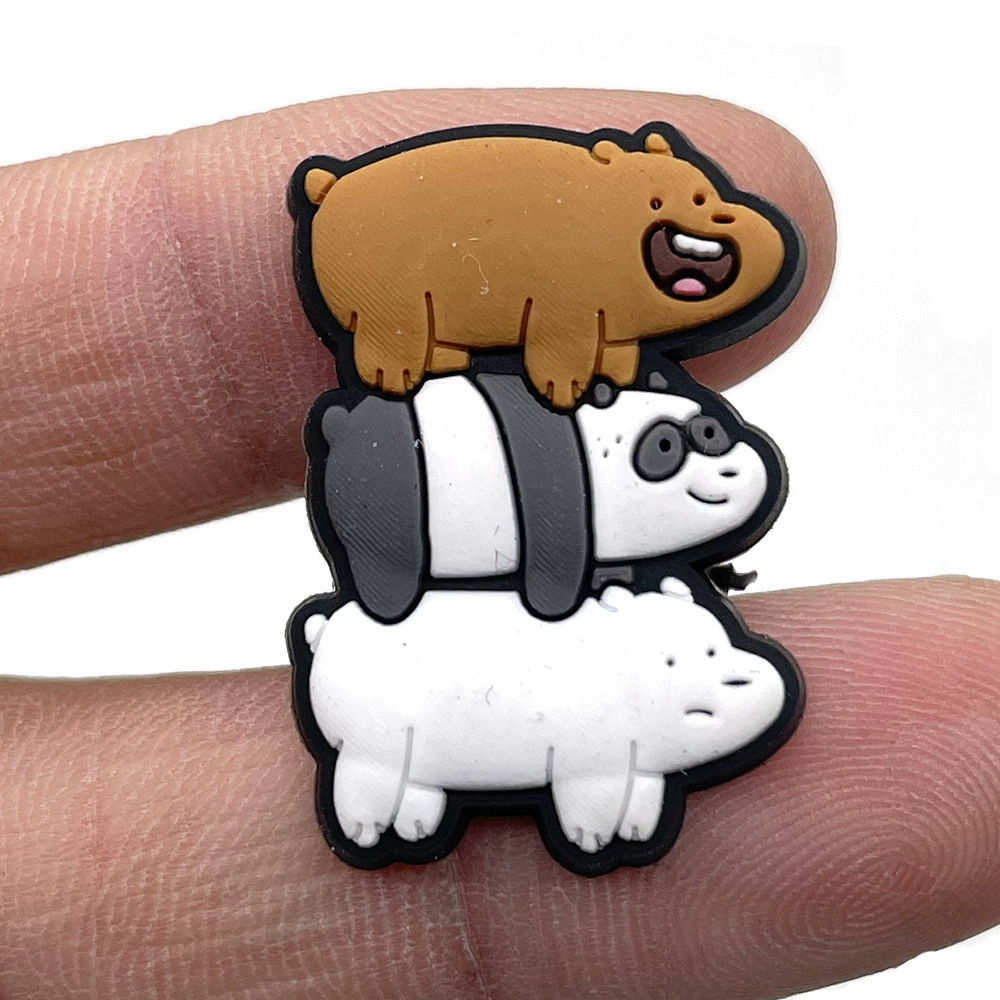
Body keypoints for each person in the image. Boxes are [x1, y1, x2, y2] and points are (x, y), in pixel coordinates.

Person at [0, 88, 996, 1000]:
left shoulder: (592, 396)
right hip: (423, 558)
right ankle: (403, 768)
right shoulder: (523, 416)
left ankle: (409, 771)